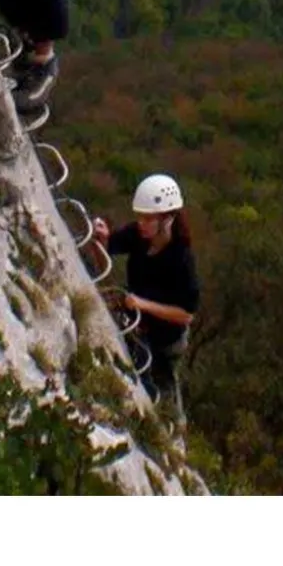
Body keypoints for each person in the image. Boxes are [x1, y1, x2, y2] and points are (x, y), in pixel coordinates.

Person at [93, 174, 200, 428]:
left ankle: (173, 439)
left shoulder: (181, 259)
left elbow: (186, 315)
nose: (141, 223)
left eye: (149, 218)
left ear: (168, 218)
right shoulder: (137, 235)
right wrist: (100, 238)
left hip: (166, 340)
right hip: (139, 325)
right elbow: (108, 251)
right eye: (140, 215)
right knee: (138, 377)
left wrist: (143, 304)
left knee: (164, 394)